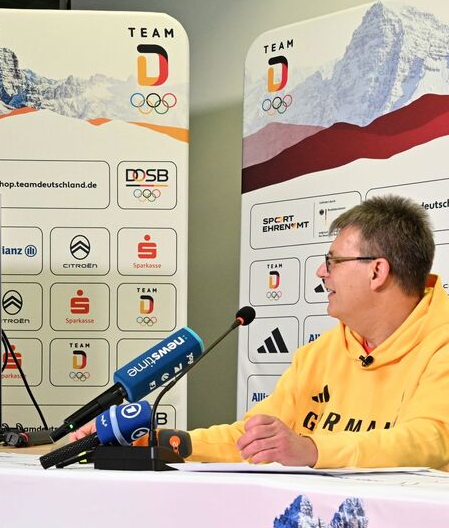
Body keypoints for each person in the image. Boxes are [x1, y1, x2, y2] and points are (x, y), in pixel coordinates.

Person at [70, 195, 449, 470]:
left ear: (377, 271)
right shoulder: (319, 354)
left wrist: (311, 450)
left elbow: (431, 442)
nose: (321, 272)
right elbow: (251, 438)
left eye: (332, 261)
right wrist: (169, 441)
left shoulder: (442, 341)